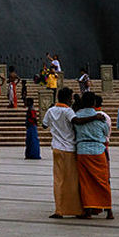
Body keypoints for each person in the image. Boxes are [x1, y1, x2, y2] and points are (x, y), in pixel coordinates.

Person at [70, 92, 113, 219]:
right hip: (98, 150)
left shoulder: (77, 116)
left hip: (82, 150)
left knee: (86, 182)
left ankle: (88, 210)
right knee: (103, 180)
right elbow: (106, 132)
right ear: (94, 102)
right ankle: (108, 209)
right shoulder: (101, 117)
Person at [42, 86, 82, 218]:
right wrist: (94, 117)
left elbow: (44, 125)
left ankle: (59, 209)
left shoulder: (51, 110)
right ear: (67, 98)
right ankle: (75, 209)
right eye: (70, 98)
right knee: (72, 180)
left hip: (57, 148)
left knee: (58, 180)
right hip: (69, 148)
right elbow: (76, 121)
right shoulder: (68, 111)